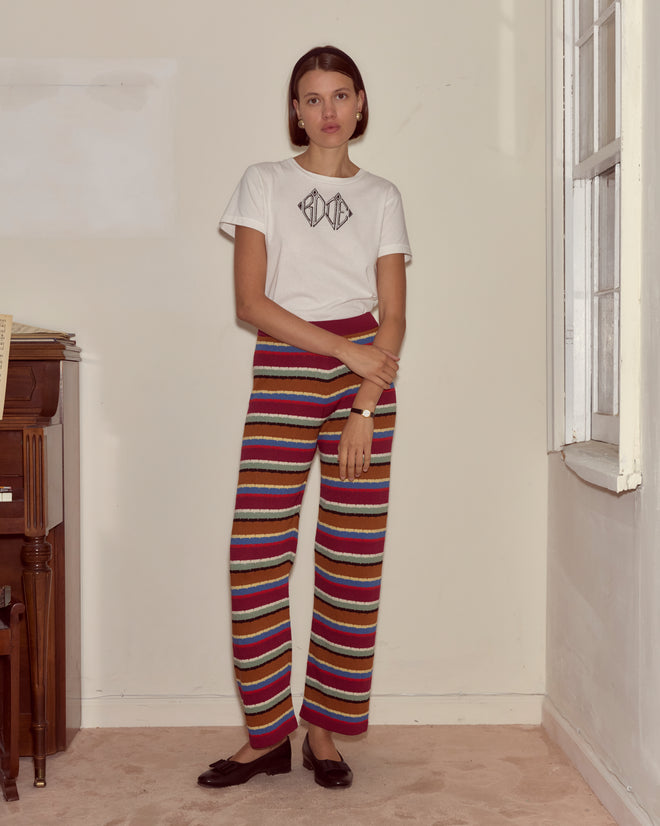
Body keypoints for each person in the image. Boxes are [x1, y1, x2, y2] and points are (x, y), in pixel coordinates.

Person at [197, 45, 411, 791]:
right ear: (295, 109)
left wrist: (362, 400)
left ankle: (324, 727)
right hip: (287, 371)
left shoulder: (383, 195)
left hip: (364, 390)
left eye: (340, 94)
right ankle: (267, 734)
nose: (327, 110)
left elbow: (394, 319)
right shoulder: (264, 182)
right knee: (255, 560)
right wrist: (342, 353)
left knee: (351, 565)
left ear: (359, 104)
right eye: (312, 97)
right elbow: (250, 304)